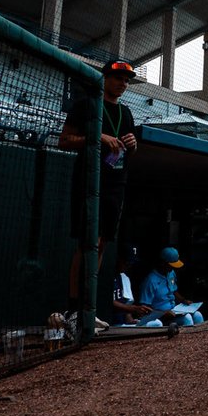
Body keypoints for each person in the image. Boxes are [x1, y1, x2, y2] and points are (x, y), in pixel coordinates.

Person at [59, 60, 139, 322]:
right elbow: (64, 140)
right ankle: (74, 308)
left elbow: (127, 150)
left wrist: (132, 143)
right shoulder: (86, 105)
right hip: (89, 181)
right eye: (118, 78)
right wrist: (97, 137)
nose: (123, 84)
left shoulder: (126, 113)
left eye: (127, 80)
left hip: (116, 183)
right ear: (104, 78)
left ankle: (89, 308)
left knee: (102, 243)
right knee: (87, 243)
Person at [139, 247, 203, 325]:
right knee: (187, 318)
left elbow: (174, 290)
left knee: (197, 315)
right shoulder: (150, 280)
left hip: (174, 311)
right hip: (160, 318)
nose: (173, 268)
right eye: (171, 265)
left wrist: (183, 300)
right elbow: (144, 308)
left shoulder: (171, 273)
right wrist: (162, 313)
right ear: (162, 263)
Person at [112, 251, 160, 326]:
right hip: (110, 323)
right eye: (126, 262)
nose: (128, 265)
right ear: (118, 259)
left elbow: (128, 304)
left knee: (156, 322)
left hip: (122, 324)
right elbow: (106, 302)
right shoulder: (105, 276)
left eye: (131, 263)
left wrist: (131, 319)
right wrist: (132, 309)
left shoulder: (124, 277)